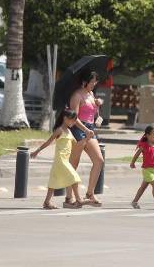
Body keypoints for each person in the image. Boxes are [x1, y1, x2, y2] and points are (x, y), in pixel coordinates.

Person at [65, 70, 104, 207]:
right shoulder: (77, 95)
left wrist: (98, 108)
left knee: (99, 160)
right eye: (92, 81)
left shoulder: (91, 94)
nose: (94, 84)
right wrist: (86, 130)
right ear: (85, 81)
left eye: (95, 81)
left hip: (90, 130)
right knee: (73, 164)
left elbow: (93, 114)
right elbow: (73, 118)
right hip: (79, 130)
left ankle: (89, 193)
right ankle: (69, 198)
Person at [32, 109, 85, 210]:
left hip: (64, 159)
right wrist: (37, 151)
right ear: (65, 119)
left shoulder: (69, 131)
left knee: (53, 180)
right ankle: (79, 199)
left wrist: (86, 138)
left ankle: (47, 202)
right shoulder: (59, 130)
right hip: (61, 159)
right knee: (74, 177)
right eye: (73, 120)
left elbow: (76, 145)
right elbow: (48, 142)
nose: (74, 123)